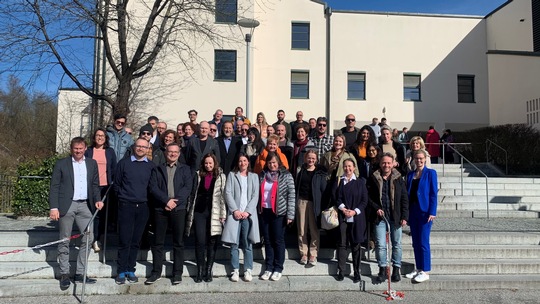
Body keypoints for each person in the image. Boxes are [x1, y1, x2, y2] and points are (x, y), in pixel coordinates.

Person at [49, 137, 103, 290]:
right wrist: (54, 207)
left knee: (89, 237)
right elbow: (55, 186)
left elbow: (95, 185)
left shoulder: (91, 164)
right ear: (71, 149)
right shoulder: (62, 163)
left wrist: (98, 199)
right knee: (64, 240)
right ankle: (64, 274)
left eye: (81, 148)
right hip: (67, 205)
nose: (78, 151)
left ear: (85, 148)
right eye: (75, 148)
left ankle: (80, 273)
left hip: (86, 206)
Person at [145, 143, 192, 285]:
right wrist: (166, 201)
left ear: (179, 153)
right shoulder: (157, 169)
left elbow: (187, 187)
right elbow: (153, 187)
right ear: (166, 153)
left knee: (178, 242)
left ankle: (177, 273)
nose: (172, 154)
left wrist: (175, 202)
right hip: (161, 208)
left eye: (175, 152)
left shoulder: (185, 169)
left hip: (178, 209)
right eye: (170, 151)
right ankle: (156, 272)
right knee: (158, 242)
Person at [113, 138, 156, 284]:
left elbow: (152, 187)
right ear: (133, 147)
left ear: (148, 148)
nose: (141, 149)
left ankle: (130, 269)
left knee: (136, 240)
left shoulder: (151, 166)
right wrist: (124, 198)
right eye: (138, 146)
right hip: (126, 206)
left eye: (144, 147)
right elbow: (116, 185)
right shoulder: (123, 164)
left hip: (143, 207)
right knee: (124, 240)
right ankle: (120, 271)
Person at [367, 153, 409, 283]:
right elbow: (368, 197)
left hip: (395, 216)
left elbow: (404, 198)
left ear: (393, 164)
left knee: (396, 244)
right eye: (384, 163)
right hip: (380, 217)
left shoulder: (398, 178)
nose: (386, 165)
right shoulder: (374, 177)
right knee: (380, 244)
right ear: (380, 163)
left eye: (389, 163)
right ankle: (382, 268)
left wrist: (404, 216)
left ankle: (396, 268)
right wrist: (376, 209)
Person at [186, 154, 226, 283]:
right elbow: (193, 194)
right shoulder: (198, 175)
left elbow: (223, 197)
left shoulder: (221, 176)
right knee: (200, 240)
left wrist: (223, 215)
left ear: (214, 163)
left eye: (210, 163)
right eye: (206, 163)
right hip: (199, 211)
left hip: (214, 212)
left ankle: (208, 270)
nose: (208, 165)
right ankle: (200, 270)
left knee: (212, 241)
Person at [222, 153, 260, 282]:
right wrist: (235, 210)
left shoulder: (254, 177)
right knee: (234, 243)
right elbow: (227, 193)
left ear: (248, 162)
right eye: (240, 161)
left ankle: (248, 269)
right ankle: (235, 270)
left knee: (247, 243)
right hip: (235, 215)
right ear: (237, 163)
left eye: (245, 161)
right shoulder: (232, 176)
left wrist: (247, 211)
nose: (242, 163)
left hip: (247, 215)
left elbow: (255, 195)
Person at [258, 152, 295, 281]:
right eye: (269, 163)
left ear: (278, 163)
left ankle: (278, 267)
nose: (272, 165)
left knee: (278, 240)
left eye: (274, 162)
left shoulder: (286, 176)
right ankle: (269, 267)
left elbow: (291, 195)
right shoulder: (262, 175)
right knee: (267, 241)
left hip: (279, 212)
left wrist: (290, 214)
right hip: (265, 211)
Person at [405, 149, 438, 283]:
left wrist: (432, 211)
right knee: (415, 242)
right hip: (413, 211)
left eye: (421, 158)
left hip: (425, 212)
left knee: (423, 242)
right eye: (416, 158)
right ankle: (418, 268)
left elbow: (433, 193)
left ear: (425, 159)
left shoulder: (431, 173)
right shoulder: (410, 175)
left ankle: (425, 270)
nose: (418, 161)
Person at [334, 158, 368, 283]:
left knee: (356, 245)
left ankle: (357, 272)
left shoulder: (360, 183)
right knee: (342, 244)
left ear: (354, 167)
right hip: (343, 217)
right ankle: (341, 271)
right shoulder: (340, 182)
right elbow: (337, 198)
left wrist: (354, 211)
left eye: (349, 166)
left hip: (357, 217)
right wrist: (344, 209)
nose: (347, 169)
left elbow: (364, 201)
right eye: (345, 166)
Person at [84, 128, 117, 253]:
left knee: (103, 215)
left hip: (106, 187)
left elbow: (114, 169)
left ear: (105, 138)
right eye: (98, 135)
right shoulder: (88, 151)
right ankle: (92, 239)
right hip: (92, 187)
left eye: (102, 135)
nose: (100, 137)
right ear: (94, 137)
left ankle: (99, 239)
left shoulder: (110, 152)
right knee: (94, 214)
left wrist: (113, 184)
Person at [295, 150, 327, 266]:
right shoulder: (301, 171)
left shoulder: (319, 173)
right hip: (302, 202)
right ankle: (303, 253)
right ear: (305, 158)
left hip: (314, 203)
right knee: (302, 229)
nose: (311, 160)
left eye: (313, 158)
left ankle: (313, 253)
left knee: (314, 229)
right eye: (309, 158)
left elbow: (323, 190)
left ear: (316, 160)